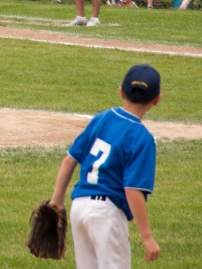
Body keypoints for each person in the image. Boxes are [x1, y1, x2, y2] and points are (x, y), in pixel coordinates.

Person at [49, 64, 162, 269]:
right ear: (157, 99)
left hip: (79, 207)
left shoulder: (101, 119)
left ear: (121, 92)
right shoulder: (141, 138)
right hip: (106, 214)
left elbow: (69, 160)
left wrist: (56, 202)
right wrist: (146, 236)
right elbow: (132, 189)